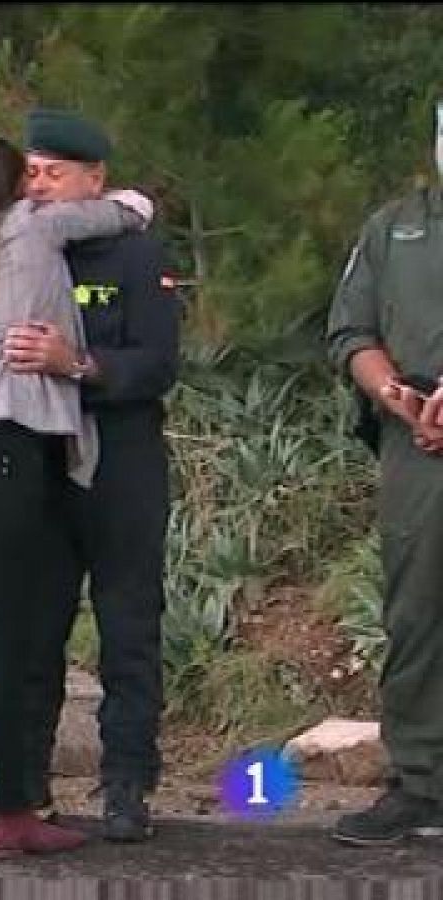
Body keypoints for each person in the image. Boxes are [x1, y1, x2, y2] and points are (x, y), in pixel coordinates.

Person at [0, 108, 182, 842]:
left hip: (119, 458)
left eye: (53, 174)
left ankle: (126, 784)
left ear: (95, 180)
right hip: (37, 463)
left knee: (128, 626)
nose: (36, 186)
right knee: (31, 629)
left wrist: (80, 364)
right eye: (29, 171)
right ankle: (20, 788)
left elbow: (159, 364)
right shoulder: (5, 239)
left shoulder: (130, 253)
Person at [325, 103, 443, 847]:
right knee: (417, 611)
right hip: (416, 440)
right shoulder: (392, 227)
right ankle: (421, 782)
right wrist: (395, 395)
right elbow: (351, 332)